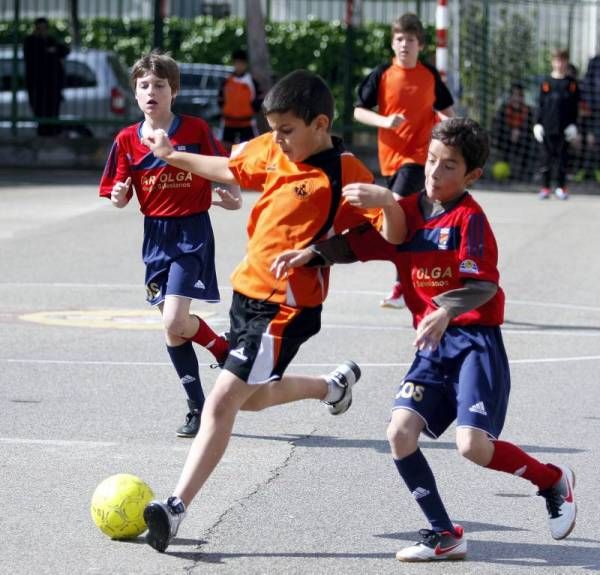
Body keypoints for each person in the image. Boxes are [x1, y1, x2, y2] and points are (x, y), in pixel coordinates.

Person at [273, 118, 577, 562]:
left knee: (473, 447)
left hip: (475, 343)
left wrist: (443, 309)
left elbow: (484, 284)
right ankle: (444, 533)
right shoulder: (408, 213)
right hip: (432, 351)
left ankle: (551, 480)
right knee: (399, 433)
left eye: (448, 166)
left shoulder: (470, 220)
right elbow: (363, 243)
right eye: (432, 160)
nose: (434, 173)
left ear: (471, 176)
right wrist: (314, 253)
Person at [139, 69, 381, 553]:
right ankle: (331, 386)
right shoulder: (273, 148)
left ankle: (175, 507)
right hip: (247, 296)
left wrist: (320, 253)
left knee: (222, 401)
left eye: (288, 130)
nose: (278, 140)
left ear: (320, 124)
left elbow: (379, 234)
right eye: (273, 129)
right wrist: (170, 155)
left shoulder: (346, 172)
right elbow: (229, 167)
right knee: (251, 399)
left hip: (287, 308)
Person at [99, 52, 239, 438]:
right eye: (144, 85)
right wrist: (119, 196)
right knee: (173, 330)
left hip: (191, 233)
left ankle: (223, 349)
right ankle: (197, 406)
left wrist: (230, 196)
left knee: (175, 320)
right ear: (135, 93)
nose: (151, 92)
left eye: (159, 85)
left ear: (173, 91)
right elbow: (118, 193)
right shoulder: (127, 139)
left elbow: (225, 173)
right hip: (155, 236)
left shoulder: (193, 130)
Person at [354, 12, 454, 309]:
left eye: (409, 39)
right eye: (399, 39)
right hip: (390, 161)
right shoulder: (382, 74)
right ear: (393, 43)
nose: (403, 44)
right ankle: (423, 280)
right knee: (409, 225)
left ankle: (403, 286)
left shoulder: (429, 75)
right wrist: (384, 121)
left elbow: (448, 112)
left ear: (420, 44)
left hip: (419, 159)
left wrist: (450, 134)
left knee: (393, 209)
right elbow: (359, 111)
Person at [533, 48, 580, 200]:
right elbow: (540, 104)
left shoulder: (571, 83)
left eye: (562, 60)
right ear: (553, 62)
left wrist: (574, 125)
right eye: (557, 60)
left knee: (562, 160)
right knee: (545, 159)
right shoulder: (546, 82)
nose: (559, 64)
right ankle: (545, 187)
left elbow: (575, 106)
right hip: (547, 127)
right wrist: (537, 124)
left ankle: (561, 187)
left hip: (564, 128)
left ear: (566, 62)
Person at [23, 17, 70, 136]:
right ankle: (43, 135)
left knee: (53, 114)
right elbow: (33, 55)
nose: (42, 31)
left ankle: (52, 135)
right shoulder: (30, 41)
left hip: (53, 85)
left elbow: (64, 50)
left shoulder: (51, 40)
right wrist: (48, 50)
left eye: (44, 29)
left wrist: (52, 50)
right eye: (39, 29)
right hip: (36, 86)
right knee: (40, 114)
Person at [218, 49, 262, 151]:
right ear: (233, 64)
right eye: (236, 63)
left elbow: (258, 100)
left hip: (246, 123)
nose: (239, 66)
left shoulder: (251, 82)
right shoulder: (227, 82)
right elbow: (220, 99)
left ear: (245, 64)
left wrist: (251, 110)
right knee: (225, 150)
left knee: (250, 149)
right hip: (228, 123)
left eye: (241, 63)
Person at [491, 82, 534, 181]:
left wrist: (519, 132)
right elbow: (497, 127)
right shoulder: (503, 109)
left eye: (519, 96)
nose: (517, 99)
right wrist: (510, 132)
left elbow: (530, 128)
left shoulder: (528, 111)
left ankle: (524, 174)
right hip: (505, 139)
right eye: (515, 95)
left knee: (529, 145)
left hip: (522, 140)